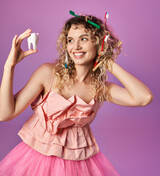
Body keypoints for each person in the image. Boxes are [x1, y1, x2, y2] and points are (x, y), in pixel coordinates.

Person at [0, 13, 153, 176]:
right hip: (34, 162)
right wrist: (9, 66)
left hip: (79, 167)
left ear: (99, 44)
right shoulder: (48, 73)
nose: (76, 47)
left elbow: (144, 98)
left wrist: (109, 63)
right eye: (70, 40)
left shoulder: (100, 88)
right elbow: (5, 114)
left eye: (84, 39)